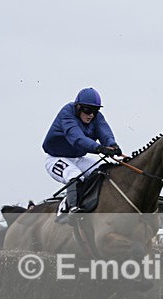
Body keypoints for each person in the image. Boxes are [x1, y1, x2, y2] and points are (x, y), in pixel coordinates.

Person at [42, 87, 122, 218]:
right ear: (78, 107)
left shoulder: (96, 117)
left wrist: (112, 145)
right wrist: (99, 148)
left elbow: (104, 131)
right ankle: (69, 208)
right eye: (87, 110)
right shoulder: (67, 113)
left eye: (95, 111)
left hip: (78, 159)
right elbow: (78, 138)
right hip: (56, 158)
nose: (91, 114)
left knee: (106, 171)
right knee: (75, 175)